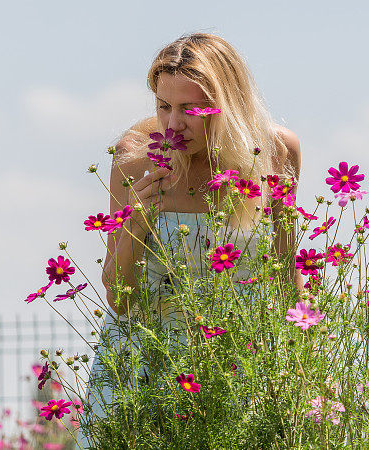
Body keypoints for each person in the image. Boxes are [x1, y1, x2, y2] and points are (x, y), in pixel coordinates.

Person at [77, 33, 303, 448]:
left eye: (192, 108)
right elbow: (119, 298)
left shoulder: (276, 152)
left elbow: (287, 269)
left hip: (238, 363)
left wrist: (305, 365)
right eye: (164, 106)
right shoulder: (135, 158)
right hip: (146, 361)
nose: (173, 124)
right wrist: (136, 222)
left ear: (228, 103)